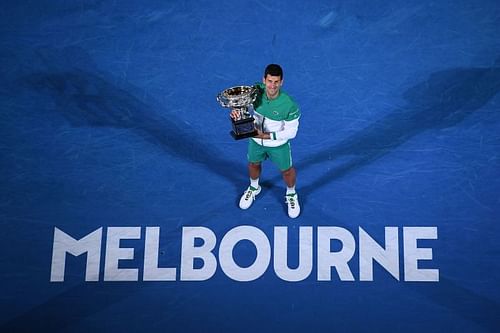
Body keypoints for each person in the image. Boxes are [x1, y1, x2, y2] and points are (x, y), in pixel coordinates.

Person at [231, 64, 301, 218]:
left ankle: (291, 194)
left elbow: (292, 132)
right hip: (256, 141)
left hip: (277, 144)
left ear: (281, 82)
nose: (272, 86)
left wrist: (267, 136)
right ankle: (254, 187)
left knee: (287, 171)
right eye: (269, 81)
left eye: (276, 82)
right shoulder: (255, 91)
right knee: (253, 164)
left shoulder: (289, 105)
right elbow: (245, 106)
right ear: (264, 80)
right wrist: (239, 112)